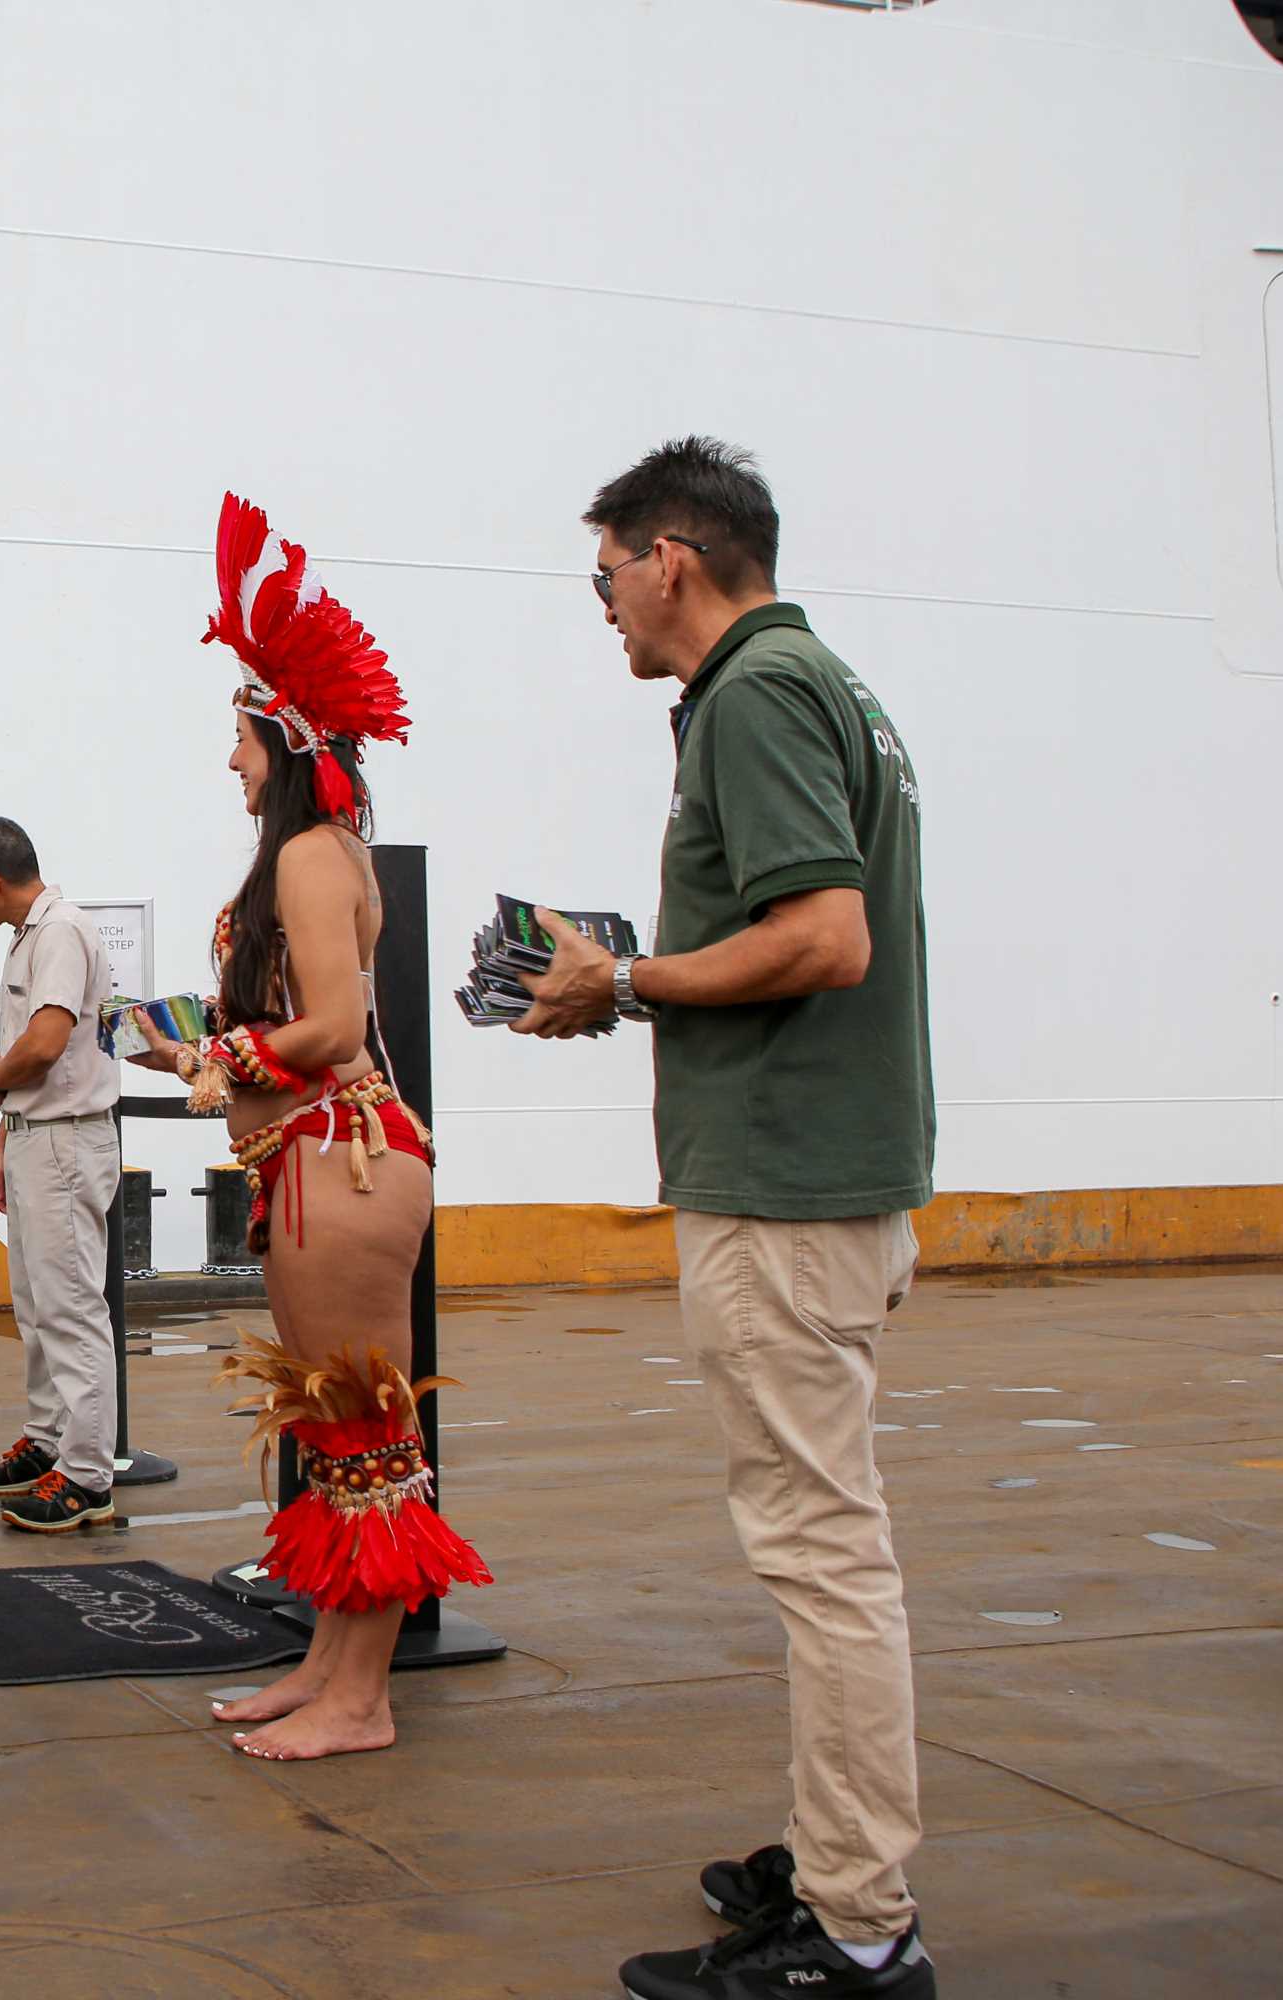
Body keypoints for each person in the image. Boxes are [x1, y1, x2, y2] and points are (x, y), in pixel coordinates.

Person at [511, 438, 936, 2000]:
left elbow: (825, 936)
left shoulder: (755, 695)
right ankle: (838, 1862)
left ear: (671, 557)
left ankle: (861, 1931)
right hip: (833, 1174)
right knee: (828, 1541)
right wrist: (633, 975)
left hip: (783, 1187)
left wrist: (621, 981)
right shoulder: (821, 683)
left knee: (822, 1551)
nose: (605, 607)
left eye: (607, 573)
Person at [124, 492, 490, 1763]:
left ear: (280, 742)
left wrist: (226, 1055)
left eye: (236, 739)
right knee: (335, 1432)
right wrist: (211, 1055)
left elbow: (331, 1029)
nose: (228, 761)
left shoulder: (309, 858)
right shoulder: (311, 857)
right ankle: (329, 1662)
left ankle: (364, 1695)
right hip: (314, 1164)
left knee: (370, 1434)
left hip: (348, 1160)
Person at [0, 815, 123, 1532]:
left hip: (63, 1142)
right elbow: (29, 1054)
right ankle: (50, 1444)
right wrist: (2, 1136)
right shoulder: (33, 934)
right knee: (38, 1305)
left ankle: (86, 1474)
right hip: (36, 1136)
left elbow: (44, 1043)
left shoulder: (58, 932)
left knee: (71, 1309)